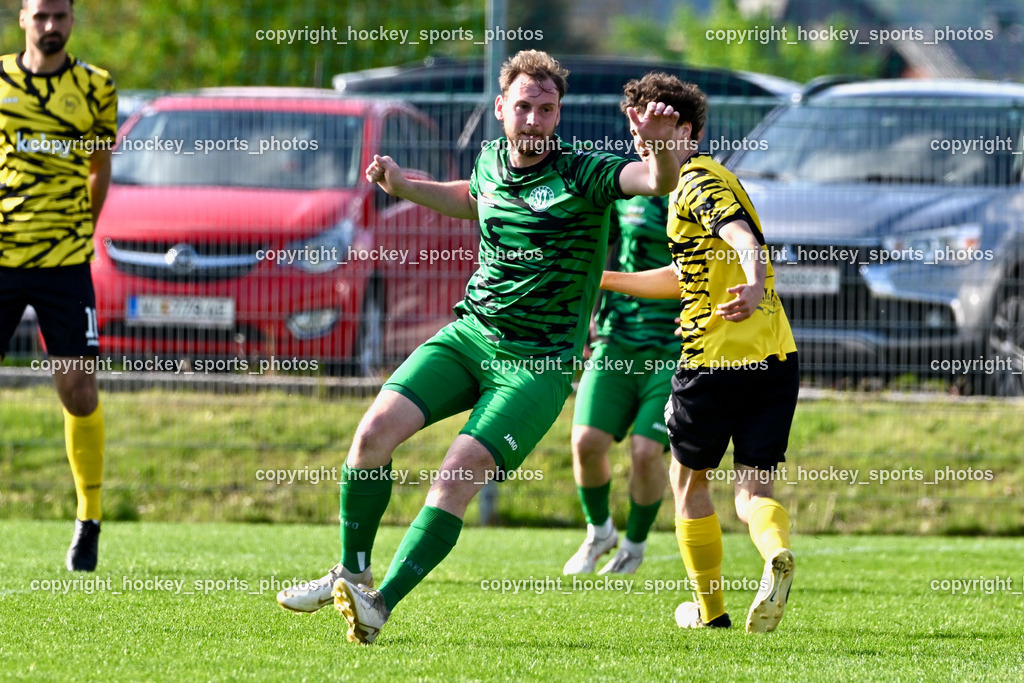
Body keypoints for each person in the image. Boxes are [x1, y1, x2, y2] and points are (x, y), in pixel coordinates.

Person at [276, 50, 684, 644]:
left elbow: (654, 180)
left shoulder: (583, 173)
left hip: (536, 366)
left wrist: (659, 144)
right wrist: (404, 186)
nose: (535, 120)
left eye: (547, 110)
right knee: (370, 437)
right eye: (524, 107)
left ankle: (380, 604)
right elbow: (472, 197)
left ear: (558, 115)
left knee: (455, 474)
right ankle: (352, 571)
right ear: (501, 109)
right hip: (471, 336)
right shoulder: (493, 160)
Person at [600, 72, 798, 633]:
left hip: (712, 363)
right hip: (775, 358)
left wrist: (754, 280)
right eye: (638, 142)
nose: (644, 151)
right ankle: (775, 553)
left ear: (686, 131)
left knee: (688, 484)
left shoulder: (694, 182)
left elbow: (742, 239)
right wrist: (606, 280)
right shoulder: (718, 179)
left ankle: (710, 613)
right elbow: (684, 275)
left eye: (654, 138)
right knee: (753, 488)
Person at [0, 0, 116, 571]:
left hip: (65, 262)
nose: (51, 26)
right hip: (1, 257)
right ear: (22, 17)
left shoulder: (96, 87)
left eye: (60, 16)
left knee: (78, 390)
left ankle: (88, 520)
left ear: (72, 21)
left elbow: (99, 169)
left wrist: (77, 231)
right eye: (40, 15)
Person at [562, 193, 677, 576]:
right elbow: (591, 250)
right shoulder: (627, 186)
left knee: (646, 452)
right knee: (585, 443)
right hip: (617, 340)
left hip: (675, 347)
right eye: (635, 129)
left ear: (686, 132)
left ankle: (634, 546)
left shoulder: (701, 190)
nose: (642, 134)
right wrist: (584, 317)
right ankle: (600, 533)